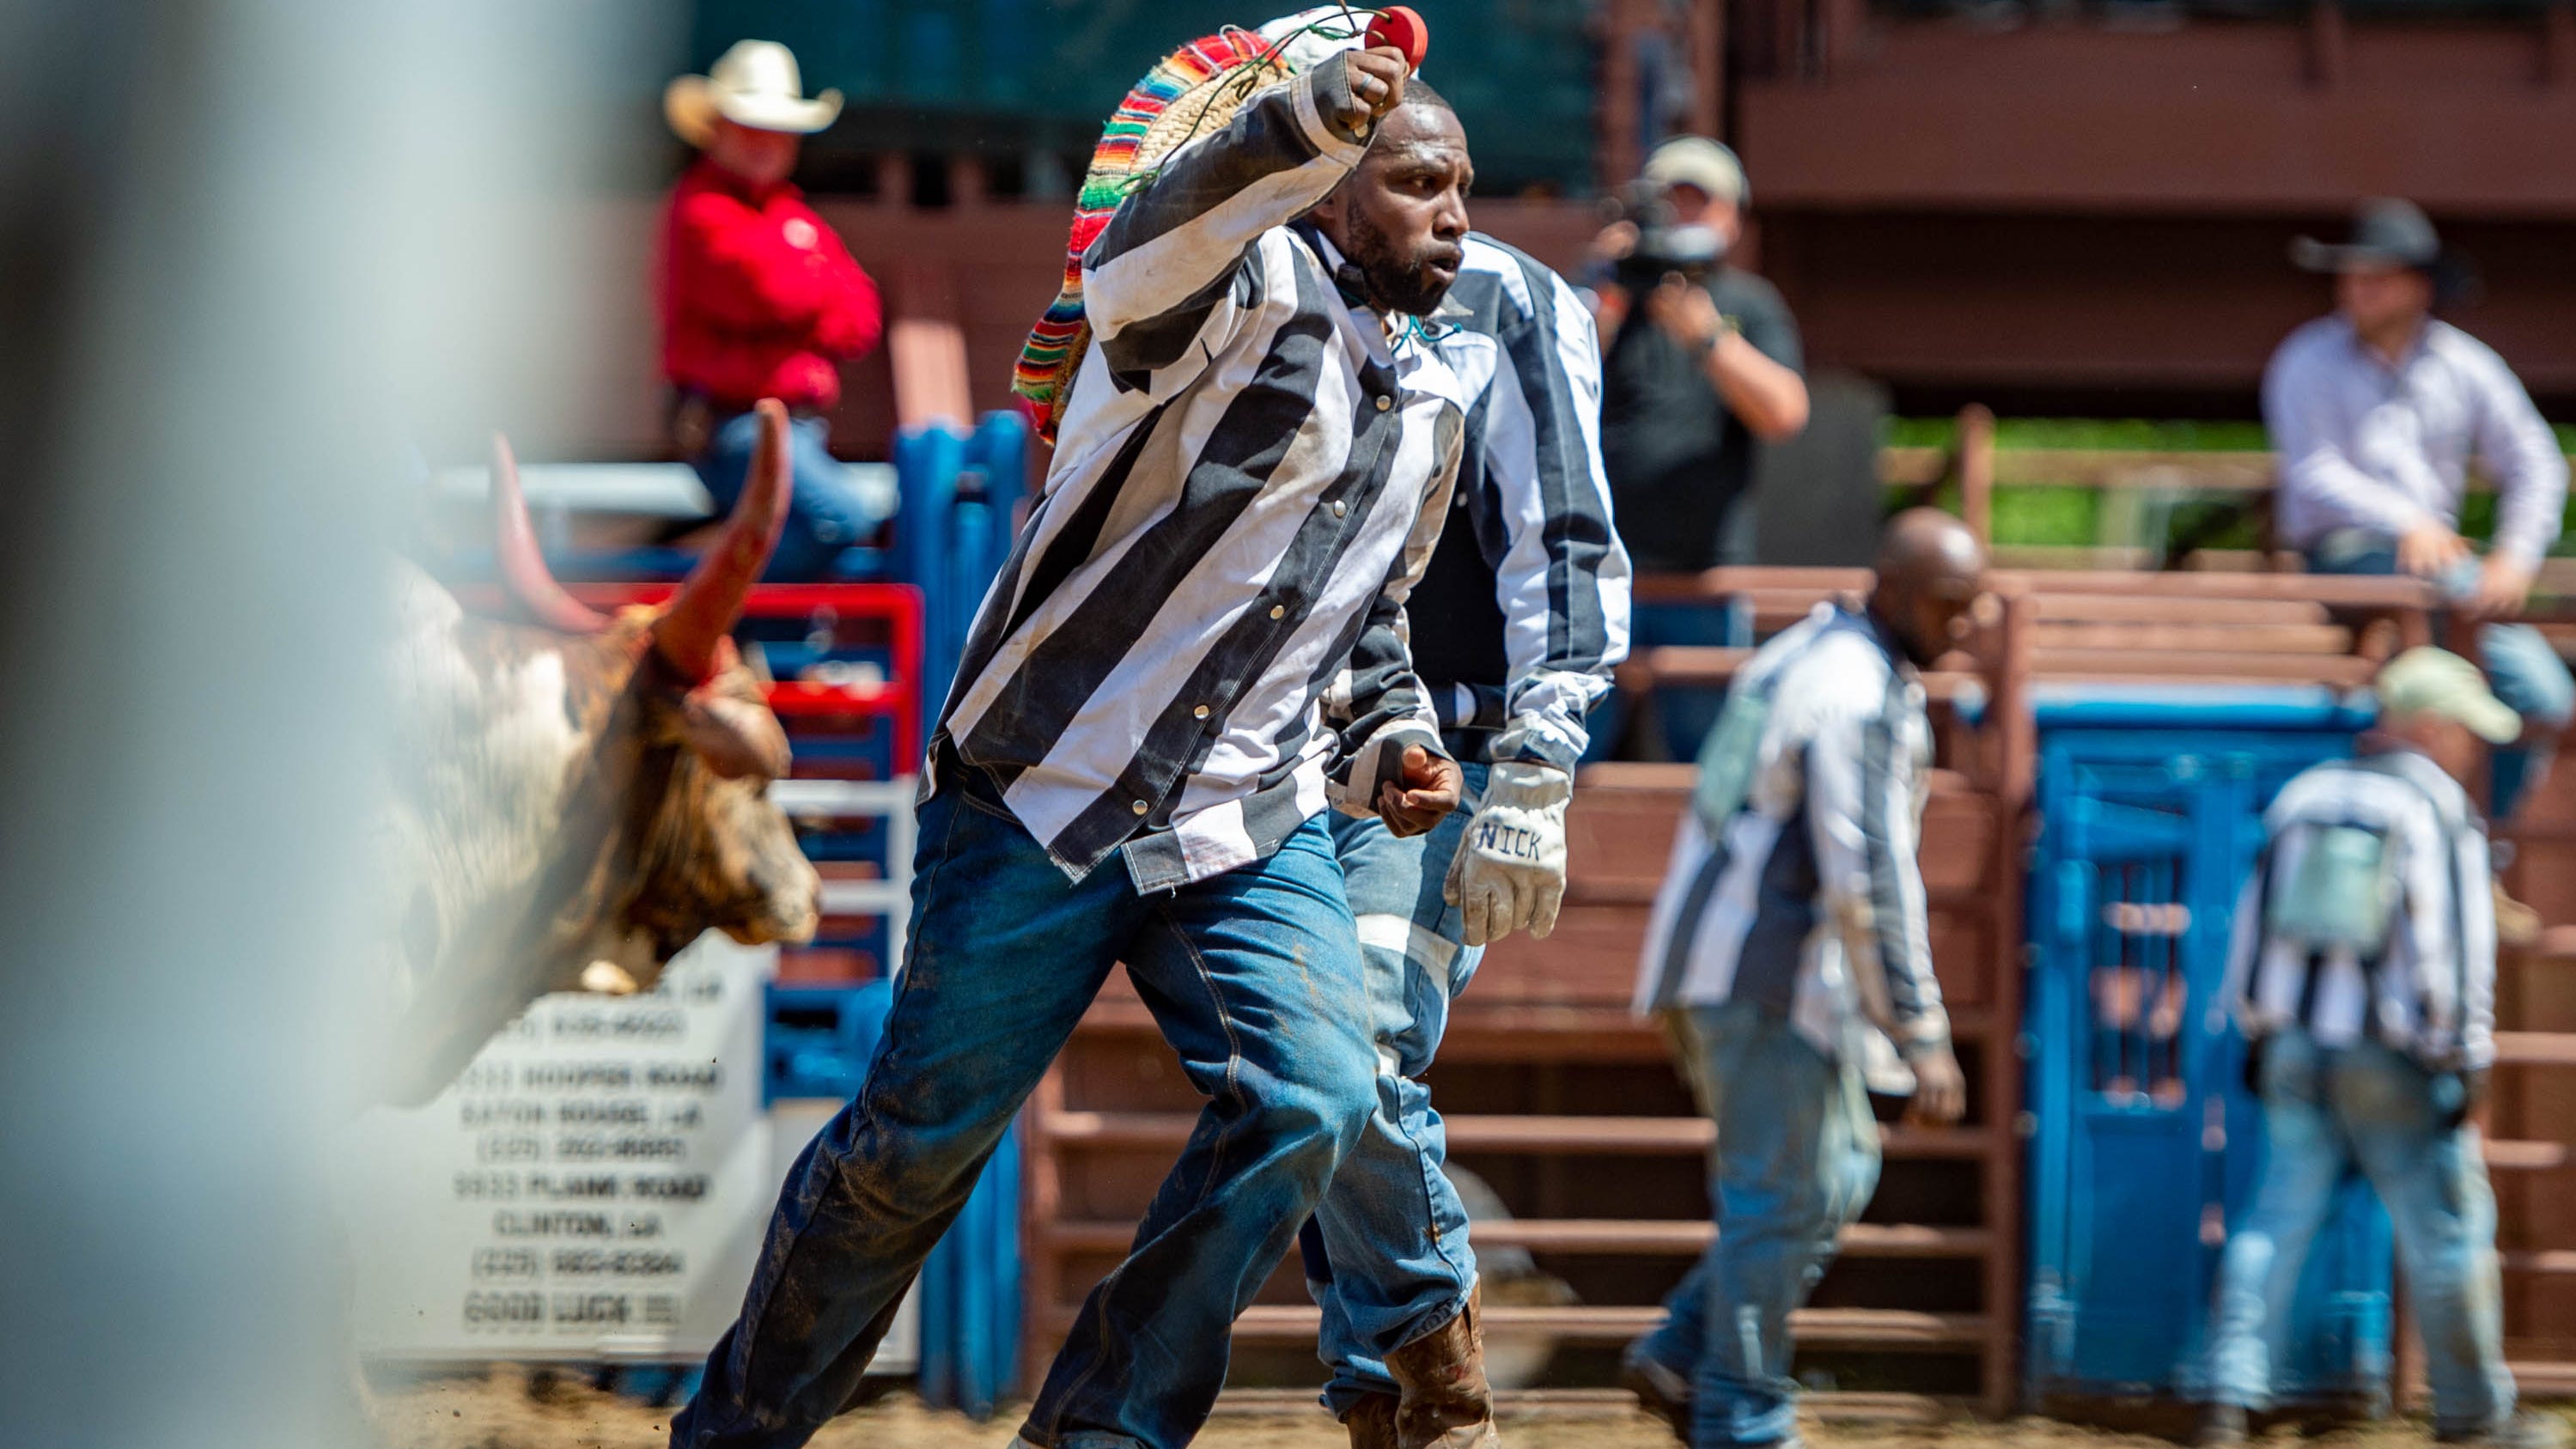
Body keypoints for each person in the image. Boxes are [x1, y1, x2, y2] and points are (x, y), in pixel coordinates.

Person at [669, 27, 1476, 1449]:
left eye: (1463, 188)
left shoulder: (1427, 407)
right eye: (1417, 184)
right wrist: (1290, 119)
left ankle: (1105, 1424)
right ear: (1329, 191)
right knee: (910, 1158)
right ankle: (733, 1431)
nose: (1455, 218)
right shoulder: (1201, 299)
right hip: (1039, 790)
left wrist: (1392, 739)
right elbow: (1144, 239)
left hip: (1238, 825)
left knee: (1316, 1096)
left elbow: (1359, 627)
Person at [1299, 216, 1633, 1449]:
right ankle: (1387, 1394)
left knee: (1362, 1039)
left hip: (1436, 742)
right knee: (1294, 1068)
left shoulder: (1504, 298)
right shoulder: (1245, 262)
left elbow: (1563, 528)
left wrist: (1535, 770)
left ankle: (1420, 1386)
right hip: (1268, 744)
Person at [1621, 508, 1980, 1449]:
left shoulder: (1807, 654)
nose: (1964, 625)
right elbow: (1867, 876)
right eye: (1950, 604)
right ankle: (1741, 1409)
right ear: (1895, 591)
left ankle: (1684, 1347)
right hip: (1761, 980)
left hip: (1728, 968)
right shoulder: (1854, 690)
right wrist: (1920, 1028)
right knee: (1787, 1195)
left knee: (1831, 1177)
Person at [2196, 648, 2560, 1449]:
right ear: (2429, 728)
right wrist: (2461, 1056)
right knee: (2446, 1233)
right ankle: (2471, 1414)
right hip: (2393, 1055)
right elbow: (2447, 950)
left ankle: (2228, 1392)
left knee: (2272, 1218)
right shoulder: (2434, 809)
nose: (2471, 746)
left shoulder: (2304, 795)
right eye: (2464, 730)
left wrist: (2257, 1030)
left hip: (2295, 1043)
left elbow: (2250, 928)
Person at [2268, 198, 2573, 822]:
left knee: (2539, 697)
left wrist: (2513, 561)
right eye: (2351, 277)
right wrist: (2407, 522)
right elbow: (2312, 474)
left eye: (2374, 278)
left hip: (2438, 579)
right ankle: (2458, 835)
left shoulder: (2464, 365)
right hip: (2346, 560)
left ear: (2418, 287)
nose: (2356, 291)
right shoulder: (2305, 358)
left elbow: (2536, 463)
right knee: (2527, 684)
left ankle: (2471, 835)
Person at [1589, 137, 1810, 760]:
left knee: (1712, 759)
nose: (1683, 218)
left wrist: (1706, 337)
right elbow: (1547, 385)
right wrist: (1608, 287)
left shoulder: (1749, 304)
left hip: (1705, 579)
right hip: (1602, 575)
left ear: (1732, 216)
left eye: (1699, 203)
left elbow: (1785, 411)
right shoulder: (1609, 298)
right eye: (1669, 204)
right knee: (1566, 754)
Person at [659, 40, 885, 581]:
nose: (767, 141)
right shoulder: (702, 211)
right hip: (734, 427)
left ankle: (725, 622)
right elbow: (774, 293)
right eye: (750, 124)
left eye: (778, 127)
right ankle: (709, 618)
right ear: (716, 128)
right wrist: (814, 288)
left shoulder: (786, 215)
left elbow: (861, 320)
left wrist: (800, 296)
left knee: (826, 527)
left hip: (786, 429)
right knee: (839, 519)